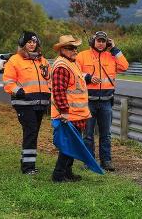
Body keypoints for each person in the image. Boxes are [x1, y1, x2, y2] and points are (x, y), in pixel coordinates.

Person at [76, 31, 129, 171]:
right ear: (93, 41)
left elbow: (124, 66)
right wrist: (87, 77)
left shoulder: (111, 56)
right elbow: (74, 72)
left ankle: (106, 161)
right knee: (88, 135)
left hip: (106, 101)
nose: (101, 43)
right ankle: (89, 161)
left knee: (106, 134)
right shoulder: (82, 55)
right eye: (98, 40)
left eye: (103, 41)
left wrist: (115, 49)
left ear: (107, 43)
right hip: (88, 101)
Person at [3, 31, 51, 175]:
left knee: (33, 133)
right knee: (30, 131)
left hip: (40, 103)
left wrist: (50, 92)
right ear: (23, 44)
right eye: (29, 42)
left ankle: (29, 162)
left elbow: (49, 79)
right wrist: (19, 91)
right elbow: (8, 82)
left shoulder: (43, 61)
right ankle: (28, 168)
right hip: (24, 103)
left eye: (34, 42)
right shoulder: (15, 60)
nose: (32, 44)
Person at [51, 35, 92, 182]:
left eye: (75, 47)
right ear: (62, 49)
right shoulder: (62, 66)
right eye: (70, 48)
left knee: (72, 145)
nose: (75, 50)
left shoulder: (72, 63)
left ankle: (67, 173)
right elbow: (58, 91)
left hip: (76, 114)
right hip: (67, 115)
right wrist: (64, 112)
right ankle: (58, 175)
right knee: (67, 146)